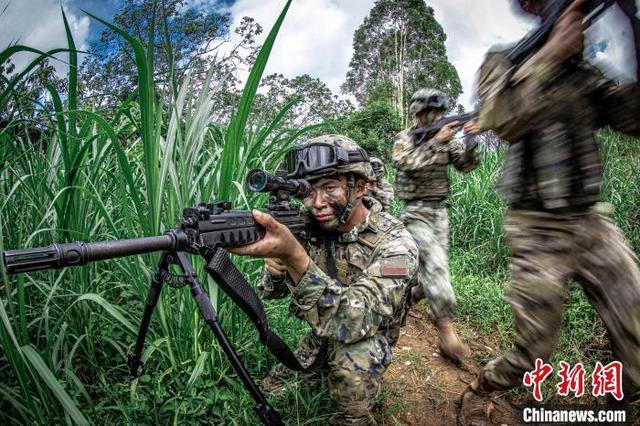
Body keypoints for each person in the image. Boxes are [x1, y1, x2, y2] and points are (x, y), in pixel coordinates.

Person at [460, 0, 640, 423]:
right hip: (536, 226)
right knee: (533, 350)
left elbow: (632, 117)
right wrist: (549, 56)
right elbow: (498, 119)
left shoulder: (586, 75)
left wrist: (631, 28)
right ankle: (482, 386)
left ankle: (615, 407)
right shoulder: (503, 60)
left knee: (636, 327)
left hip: (592, 221)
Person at [230, 134, 419, 425]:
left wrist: (295, 257)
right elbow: (271, 293)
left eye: (330, 187)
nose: (317, 203)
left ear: (361, 187)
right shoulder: (310, 228)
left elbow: (356, 321)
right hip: (321, 335)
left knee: (352, 366)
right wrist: (275, 270)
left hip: (366, 338)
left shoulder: (396, 245)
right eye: (307, 190)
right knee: (271, 396)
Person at [391, 88, 480, 363]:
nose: (437, 118)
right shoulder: (405, 138)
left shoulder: (447, 138)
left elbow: (466, 166)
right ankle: (445, 329)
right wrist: (435, 143)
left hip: (439, 211)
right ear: (418, 114)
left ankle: (405, 299)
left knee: (425, 270)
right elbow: (402, 162)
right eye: (432, 113)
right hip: (414, 211)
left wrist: (471, 138)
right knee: (436, 263)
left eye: (440, 113)